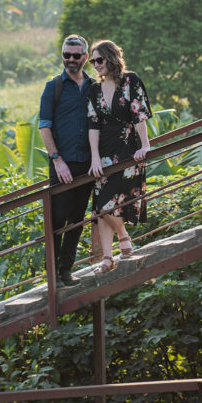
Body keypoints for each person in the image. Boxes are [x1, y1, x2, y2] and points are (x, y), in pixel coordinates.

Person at [87, 40, 152, 274]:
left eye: (99, 60)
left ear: (111, 58)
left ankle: (119, 244)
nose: (96, 65)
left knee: (109, 205)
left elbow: (139, 114)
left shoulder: (130, 80)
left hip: (128, 149)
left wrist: (145, 145)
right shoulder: (94, 89)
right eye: (93, 61)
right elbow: (93, 124)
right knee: (101, 206)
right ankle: (110, 254)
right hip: (104, 152)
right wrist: (95, 157)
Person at [38, 34, 98, 286]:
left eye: (75, 55)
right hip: (61, 163)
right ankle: (52, 275)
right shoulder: (53, 86)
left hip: (87, 163)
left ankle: (66, 270)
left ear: (85, 57)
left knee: (77, 220)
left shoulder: (94, 86)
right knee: (57, 218)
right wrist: (56, 159)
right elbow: (44, 126)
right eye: (66, 55)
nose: (70, 60)